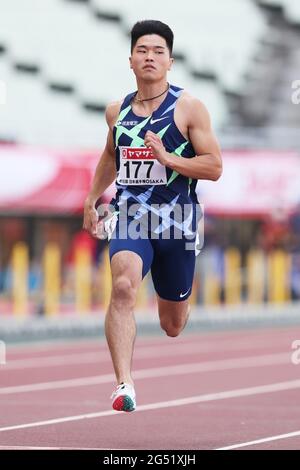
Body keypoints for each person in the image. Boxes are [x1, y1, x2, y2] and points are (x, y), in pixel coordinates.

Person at [83, 20, 222, 412]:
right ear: (130, 60)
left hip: (177, 221)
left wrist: (167, 158)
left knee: (172, 325)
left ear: (170, 61)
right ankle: (124, 384)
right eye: (142, 50)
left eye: (158, 52)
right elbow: (111, 157)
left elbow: (213, 166)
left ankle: (181, 299)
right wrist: (92, 197)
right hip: (131, 215)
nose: (149, 57)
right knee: (124, 285)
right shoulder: (117, 112)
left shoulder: (189, 108)